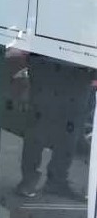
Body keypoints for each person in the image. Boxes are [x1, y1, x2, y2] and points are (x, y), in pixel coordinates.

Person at [14, 53, 92, 201]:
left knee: (62, 128)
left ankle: (38, 180)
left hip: (61, 66)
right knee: (55, 126)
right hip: (62, 65)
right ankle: (47, 180)